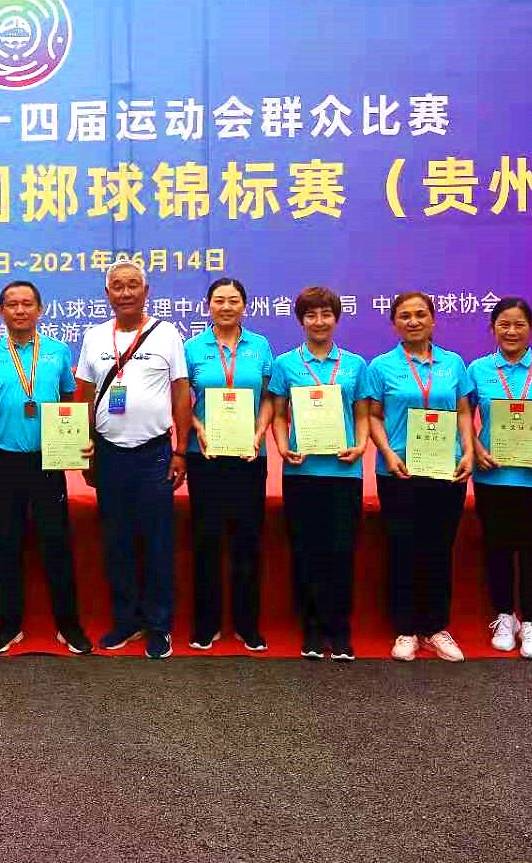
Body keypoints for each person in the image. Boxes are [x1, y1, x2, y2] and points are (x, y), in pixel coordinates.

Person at [73, 259, 192, 660]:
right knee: (117, 541)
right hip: (109, 454)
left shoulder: (167, 334)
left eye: (133, 285)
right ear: (107, 294)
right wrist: (84, 450)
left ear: (146, 291)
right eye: (118, 286)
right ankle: (126, 620)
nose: (125, 293)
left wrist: (180, 450)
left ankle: (159, 626)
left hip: (154, 454)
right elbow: (83, 396)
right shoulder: (93, 337)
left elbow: (180, 393)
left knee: (158, 542)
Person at [0, 281, 94, 655]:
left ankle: (69, 625)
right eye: (12, 304)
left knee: (56, 543)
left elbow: (70, 402)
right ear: (0, 311)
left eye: (27, 304)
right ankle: (9, 625)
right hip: (5, 461)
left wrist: (78, 444)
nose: (20, 310)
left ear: (40, 310)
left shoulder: (57, 352)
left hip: (48, 461)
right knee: (5, 544)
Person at [364, 291, 475, 663]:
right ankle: (406, 628)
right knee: (403, 547)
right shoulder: (381, 366)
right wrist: (388, 453)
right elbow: (373, 416)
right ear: (394, 323)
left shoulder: (453, 364)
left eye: (420, 314)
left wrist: (468, 452)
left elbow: (463, 411)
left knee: (439, 547)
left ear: (433, 319)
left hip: (446, 469)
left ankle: (436, 626)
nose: (413, 321)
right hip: (400, 470)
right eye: (405, 316)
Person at [267, 286, 370, 661]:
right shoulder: (285, 364)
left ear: (336, 319)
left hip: (344, 471)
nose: (319, 321)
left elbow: (362, 414)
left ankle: (339, 629)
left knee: (341, 551)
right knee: (305, 550)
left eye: (326, 314)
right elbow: (278, 413)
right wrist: (283, 446)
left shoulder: (355, 365)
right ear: (301, 320)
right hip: (302, 471)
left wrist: (361, 446)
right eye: (311, 315)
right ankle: (310, 628)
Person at [467, 297, 532, 660]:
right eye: (504, 325)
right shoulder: (478, 369)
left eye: (519, 325)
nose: (511, 331)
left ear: (530, 328)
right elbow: (464, 415)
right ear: (493, 329)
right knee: (496, 548)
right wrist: (475, 448)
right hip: (492, 476)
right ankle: (503, 616)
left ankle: (531, 622)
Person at [182, 278, 274, 652]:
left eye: (233, 300)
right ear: (208, 306)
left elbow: (269, 399)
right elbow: (179, 400)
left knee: (247, 538)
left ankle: (246, 624)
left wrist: (259, 432)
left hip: (249, 454)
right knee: (206, 538)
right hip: (205, 455)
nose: (226, 306)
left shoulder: (260, 346)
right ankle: (207, 624)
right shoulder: (192, 348)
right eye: (219, 300)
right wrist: (198, 427)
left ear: (244, 306)